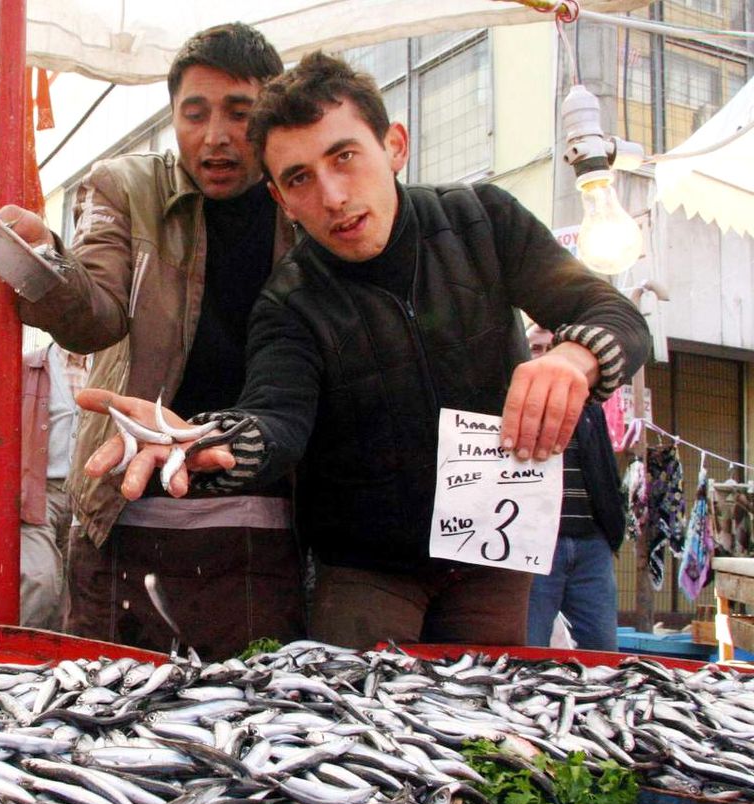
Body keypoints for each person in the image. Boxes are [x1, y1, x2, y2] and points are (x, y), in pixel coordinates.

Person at [84, 52, 652, 651]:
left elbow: (612, 313)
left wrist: (573, 357)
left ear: (394, 145)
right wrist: (204, 439)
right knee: (361, 727)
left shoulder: (482, 221)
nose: (332, 196)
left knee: (487, 729)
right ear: (280, 198)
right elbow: (277, 419)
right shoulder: (290, 300)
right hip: (363, 571)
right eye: (300, 177)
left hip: (493, 555)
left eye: (345, 157)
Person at [3, 23, 305, 659]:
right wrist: (43, 261)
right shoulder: (124, 186)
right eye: (194, 114)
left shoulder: (302, 198)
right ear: (173, 117)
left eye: (240, 113)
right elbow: (96, 314)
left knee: (255, 722)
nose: (215, 136)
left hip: (264, 515)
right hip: (125, 502)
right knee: (102, 712)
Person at [0, 343, 88, 629]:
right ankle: (14, 656)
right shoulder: (28, 366)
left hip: (85, 494)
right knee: (41, 580)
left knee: (71, 594)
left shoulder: (103, 367)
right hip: (37, 490)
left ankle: (52, 665)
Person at [525, 324, 625, 650]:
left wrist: (612, 531)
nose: (546, 357)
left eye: (552, 349)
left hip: (591, 546)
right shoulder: (509, 407)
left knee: (603, 653)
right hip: (534, 547)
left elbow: (607, 470)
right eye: (536, 349)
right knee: (527, 651)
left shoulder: (590, 408)